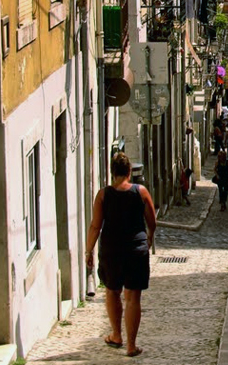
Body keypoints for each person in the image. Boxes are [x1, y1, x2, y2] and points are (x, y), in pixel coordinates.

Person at [84, 152, 157, 358]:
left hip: (111, 250)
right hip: (136, 249)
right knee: (133, 297)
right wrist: (150, 237)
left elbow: (95, 226)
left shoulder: (103, 195)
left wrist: (89, 250)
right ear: (128, 172)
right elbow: (151, 220)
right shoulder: (141, 192)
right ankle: (131, 346)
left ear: (112, 172)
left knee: (112, 291)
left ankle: (116, 335)